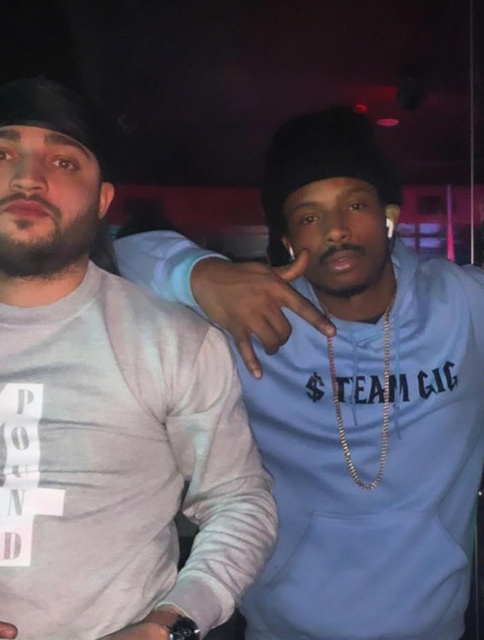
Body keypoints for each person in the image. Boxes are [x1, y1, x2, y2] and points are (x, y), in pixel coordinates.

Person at [0, 78, 278, 640]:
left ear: (102, 201)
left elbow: (239, 502)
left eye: (64, 161)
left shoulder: (176, 344)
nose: (29, 177)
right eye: (1, 154)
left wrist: (167, 626)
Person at [115, 106, 484, 640]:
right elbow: (121, 255)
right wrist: (200, 273)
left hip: (433, 629)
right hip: (282, 628)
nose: (336, 230)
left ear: (388, 215)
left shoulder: (463, 307)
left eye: (354, 204)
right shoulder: (258, 317)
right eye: (309, 216)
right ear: (286, 240)